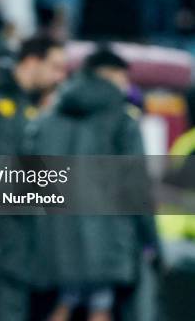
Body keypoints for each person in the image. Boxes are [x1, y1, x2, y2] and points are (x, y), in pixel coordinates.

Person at [24, 46, 160, 321]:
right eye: (123, 78)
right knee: (101, 306)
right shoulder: (122, 120)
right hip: (108, 237)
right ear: (110, 75)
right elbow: (135, 186)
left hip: (57, 236)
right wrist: (151, 240)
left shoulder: (50, 117)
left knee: (64, 303)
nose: (126, 85)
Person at [0, 35, 66, 321]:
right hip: (12, 260)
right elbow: (1, 182)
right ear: (31, 62)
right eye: (55, 67)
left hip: (40, 262)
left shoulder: (36, 110)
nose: (60, 77)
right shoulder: (3, 110)